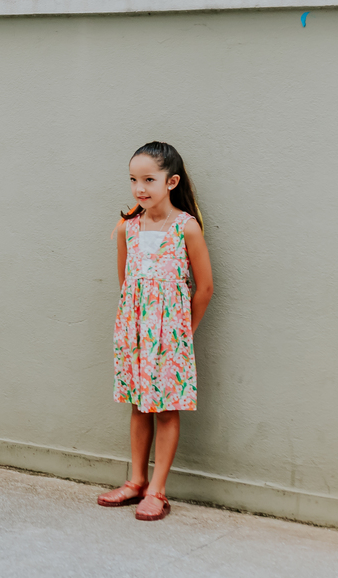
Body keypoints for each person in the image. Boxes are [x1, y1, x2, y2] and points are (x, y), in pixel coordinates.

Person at [97, 142, 214, 521]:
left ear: (171, 181)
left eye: (149, 179)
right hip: (134, 332)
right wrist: (134, 326)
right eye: (133, 180)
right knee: (138, 404)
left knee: (165, 409)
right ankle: (135, 482)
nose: (140, 188)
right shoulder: (126, 228)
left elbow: (206, 287)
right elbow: (127, 282)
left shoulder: (186, 227)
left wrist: (184, 332)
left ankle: (158, 490)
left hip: (171, 336)